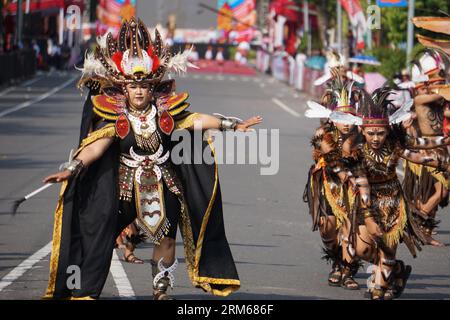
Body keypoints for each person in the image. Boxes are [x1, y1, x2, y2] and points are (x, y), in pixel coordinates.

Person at [42, 18, 262, 300]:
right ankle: (82, 286)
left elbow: (195, 120)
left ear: (152, 87)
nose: (139, 91)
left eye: (144, 86)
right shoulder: (115, 116)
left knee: (167, 238)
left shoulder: (166, 113)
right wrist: (73, 168)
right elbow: (97, 146)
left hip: (162, 183)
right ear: (123, 88)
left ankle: (160, 288)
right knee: (99, 234)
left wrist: (232, 125)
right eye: (133, 86)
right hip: (122, 186)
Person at [343, 87, 450, 300]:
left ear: (388, 131)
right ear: (363, 131)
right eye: (371, 133)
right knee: (360, 250)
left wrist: (442, 161)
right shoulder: (357, 153)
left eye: (381, 133)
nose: (376, 138)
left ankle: (380, 286)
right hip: (367, 204)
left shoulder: (394, 146)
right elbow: (363, 186)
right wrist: (369, 218)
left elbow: (418, 153)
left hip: (393, 202)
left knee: (387, 250)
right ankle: (396, 269)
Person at [304, 75, 363, 290]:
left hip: (354, 187)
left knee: (351, 230)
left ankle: (348, 270)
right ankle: (337, 260)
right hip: (328, 185)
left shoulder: (363, 134)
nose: (346, 124)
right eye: (341, 118)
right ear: (332, 118)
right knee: (327, 228)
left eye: (350, 118)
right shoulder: (323, 134)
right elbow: (333, 160)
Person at [402, 49, 450, 246]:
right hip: (427, 150)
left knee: (435, 193)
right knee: (442, 191)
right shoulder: (421, 100)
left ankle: (424, 232)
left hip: (441, 148)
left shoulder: (439, 103)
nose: (424, 90)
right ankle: (416, 217)